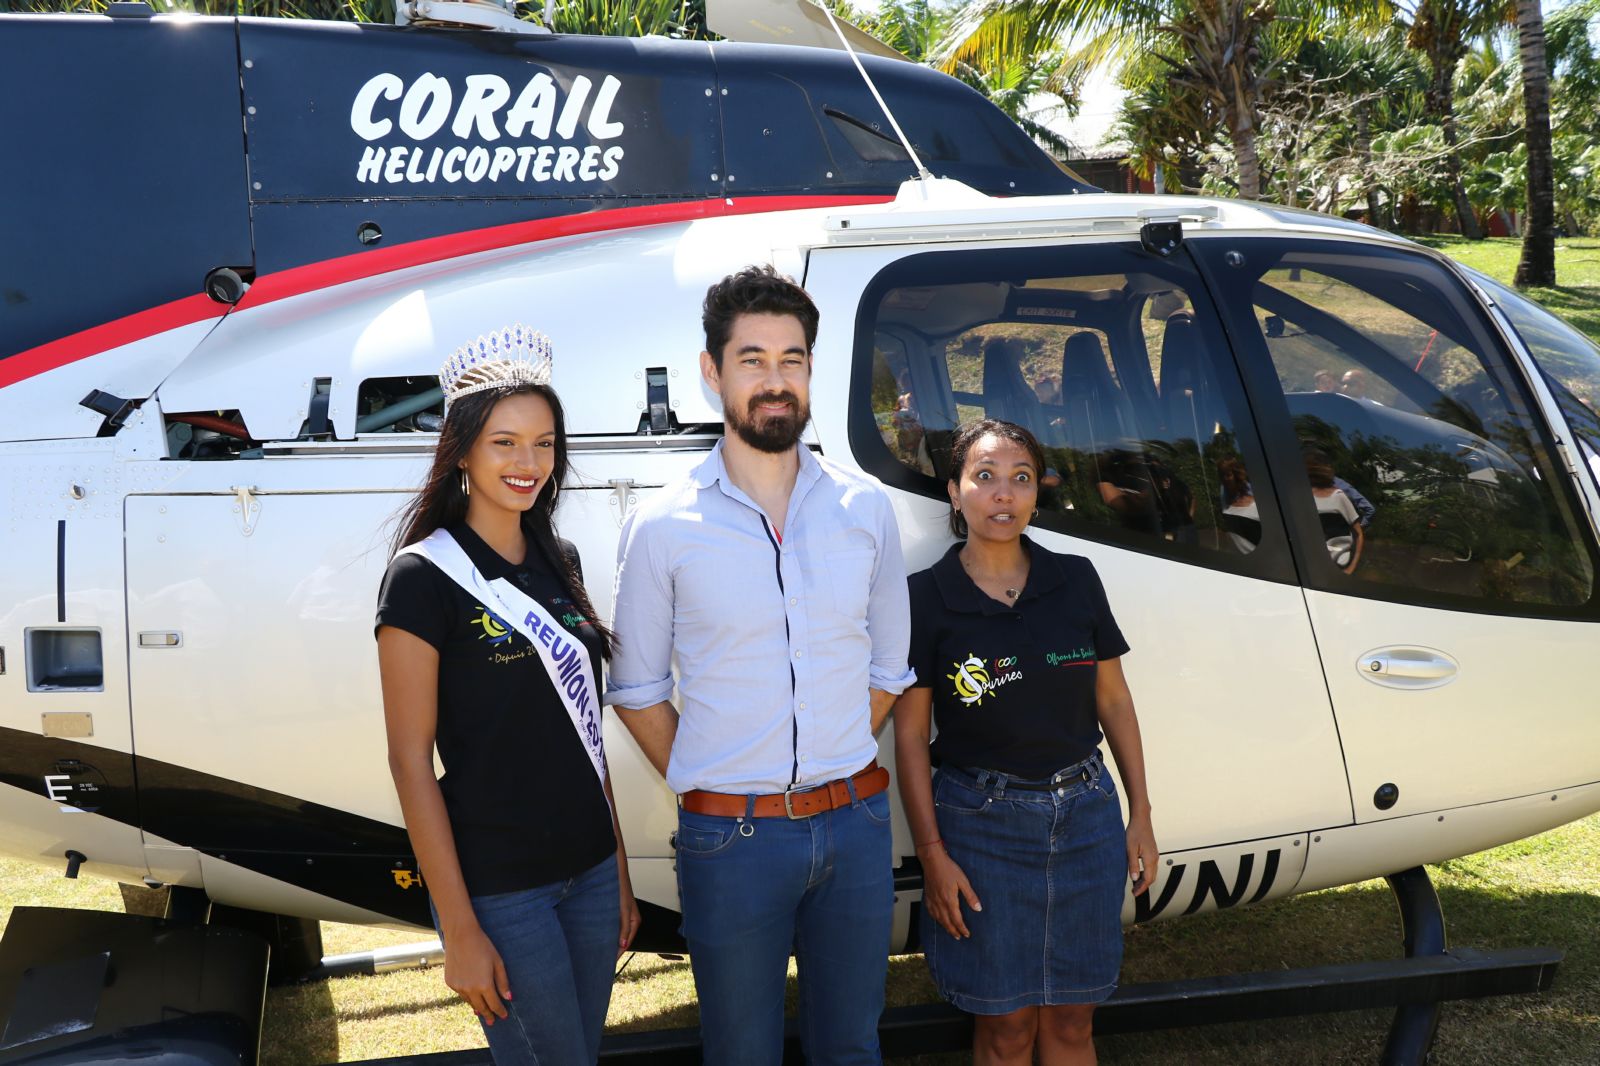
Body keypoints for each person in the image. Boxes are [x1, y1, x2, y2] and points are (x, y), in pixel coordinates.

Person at [607, 265, 915, 1066]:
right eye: (752, 359)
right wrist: (718, 783)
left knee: (851, 1047)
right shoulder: (662, 525)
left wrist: (827, 758)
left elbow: (889, 668)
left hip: (855, 828)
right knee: (739, 1052)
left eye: (792, 359)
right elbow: (637, 691)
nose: (775, 381)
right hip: (730, 840)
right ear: (712, 373)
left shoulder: (865, 509)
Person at [375, 326, 638, 1065]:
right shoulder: (422, 579)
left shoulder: (562, 559)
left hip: (588, 875)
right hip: (501, 892)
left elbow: (584, 732)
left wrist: (616, 869)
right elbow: (407, 762)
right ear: (461, 450)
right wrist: (458, 929)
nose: (529, 464)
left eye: (545, 444)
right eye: (505, 443)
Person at [895, 418, 1158, 1066]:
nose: (1003, 495)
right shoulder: (925, 598)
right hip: (980, 831)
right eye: (984, 478)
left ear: (1038, 492)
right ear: (954, 493)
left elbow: (1115, 701)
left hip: (1087, 819)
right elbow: (908, 734)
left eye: (1019, 479)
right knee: (1006, 1029)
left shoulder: (1075, 579)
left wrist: (1141, 815)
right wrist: (933, 855)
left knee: (1072, 1020)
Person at [1305, 450, 1364, 573]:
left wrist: (1351, 568)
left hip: (1338, 565)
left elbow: (1359, 534)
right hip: (1312, 569)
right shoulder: (1302, 496)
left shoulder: (1338, 496)